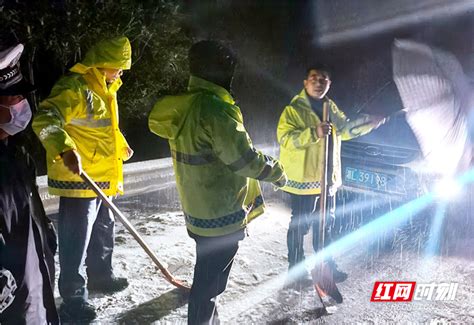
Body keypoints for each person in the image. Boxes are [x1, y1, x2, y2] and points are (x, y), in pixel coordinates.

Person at [149, 40, 287, 325]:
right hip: (222, 213)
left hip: (198, 210)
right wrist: (277, 171)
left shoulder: (184, 104)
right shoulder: (216, 110)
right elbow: (245, 159)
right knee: (209, 284)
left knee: (207, 272)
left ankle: (208, 318)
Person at [32, 36, 133, 322]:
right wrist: (64, 148)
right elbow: (46, 118)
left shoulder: (106, 90)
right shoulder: (74, 88)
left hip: (104, 177)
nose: (121, 72)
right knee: (75, 241)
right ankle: (73, 298)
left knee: (104, 229)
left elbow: (100, 128)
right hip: (81, 181)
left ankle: (101, 274)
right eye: (118, 66)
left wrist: (120, 143)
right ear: (101, 65)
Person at [277, 65, 385, 284]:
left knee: (325, 224)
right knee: (301, 224)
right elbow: (286, 139)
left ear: (329, 84)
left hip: (327, 178)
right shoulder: (294, 110)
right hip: (303, 180)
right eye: (314, 78)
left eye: (323, 79)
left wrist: (368, 123)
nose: (318, 83)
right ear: (305, 82)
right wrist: (314, 133)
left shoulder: (330, 107)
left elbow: (344, 130)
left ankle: (325, 266)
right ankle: (296, 269)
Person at [0, 42, 59, 324]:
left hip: (32, 300)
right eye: (13, 97)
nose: (22, 102)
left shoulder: (17, 153)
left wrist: (43, 234)